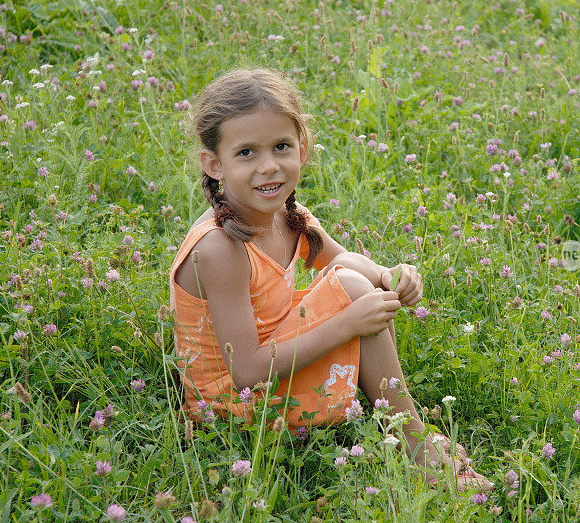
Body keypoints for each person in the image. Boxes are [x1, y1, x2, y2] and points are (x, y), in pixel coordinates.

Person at [169, 68, 491, 491]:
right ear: (214, 164)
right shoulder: (220, 249)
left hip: (272, 369)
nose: (268, 167)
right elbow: (246, 371)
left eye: (281, 147)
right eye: (246, 153)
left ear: (302, 150)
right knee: (352, 295)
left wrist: (387, 275)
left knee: (358, 282)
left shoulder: (287, 217)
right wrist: (348, 323)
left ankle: (401, 426)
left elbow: (344, 260)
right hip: (232, 406)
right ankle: (417, 451)